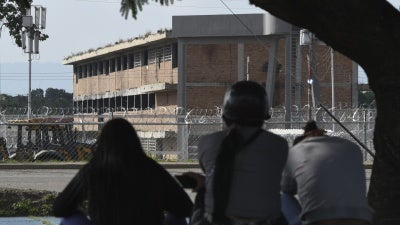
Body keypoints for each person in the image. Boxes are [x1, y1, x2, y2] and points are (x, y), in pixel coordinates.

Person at [53, 118, 193, 225]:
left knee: (70, 218)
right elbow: (186, 208)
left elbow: (60, 208)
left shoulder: (93, 170)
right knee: (177, 217)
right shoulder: (151, 168)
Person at [191, 80, 289, 225]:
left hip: (217, 221)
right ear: (263, 116)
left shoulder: (207, 142)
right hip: (265, 221)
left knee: (203, 193)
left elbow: (212, 171)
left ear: (225, 116)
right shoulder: (279, 145)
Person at [281, 121, 372, 225]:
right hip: (361, 218)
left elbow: (286, 189)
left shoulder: (295, 151)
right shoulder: (353, 148)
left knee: (283, 197)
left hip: (319, 219)